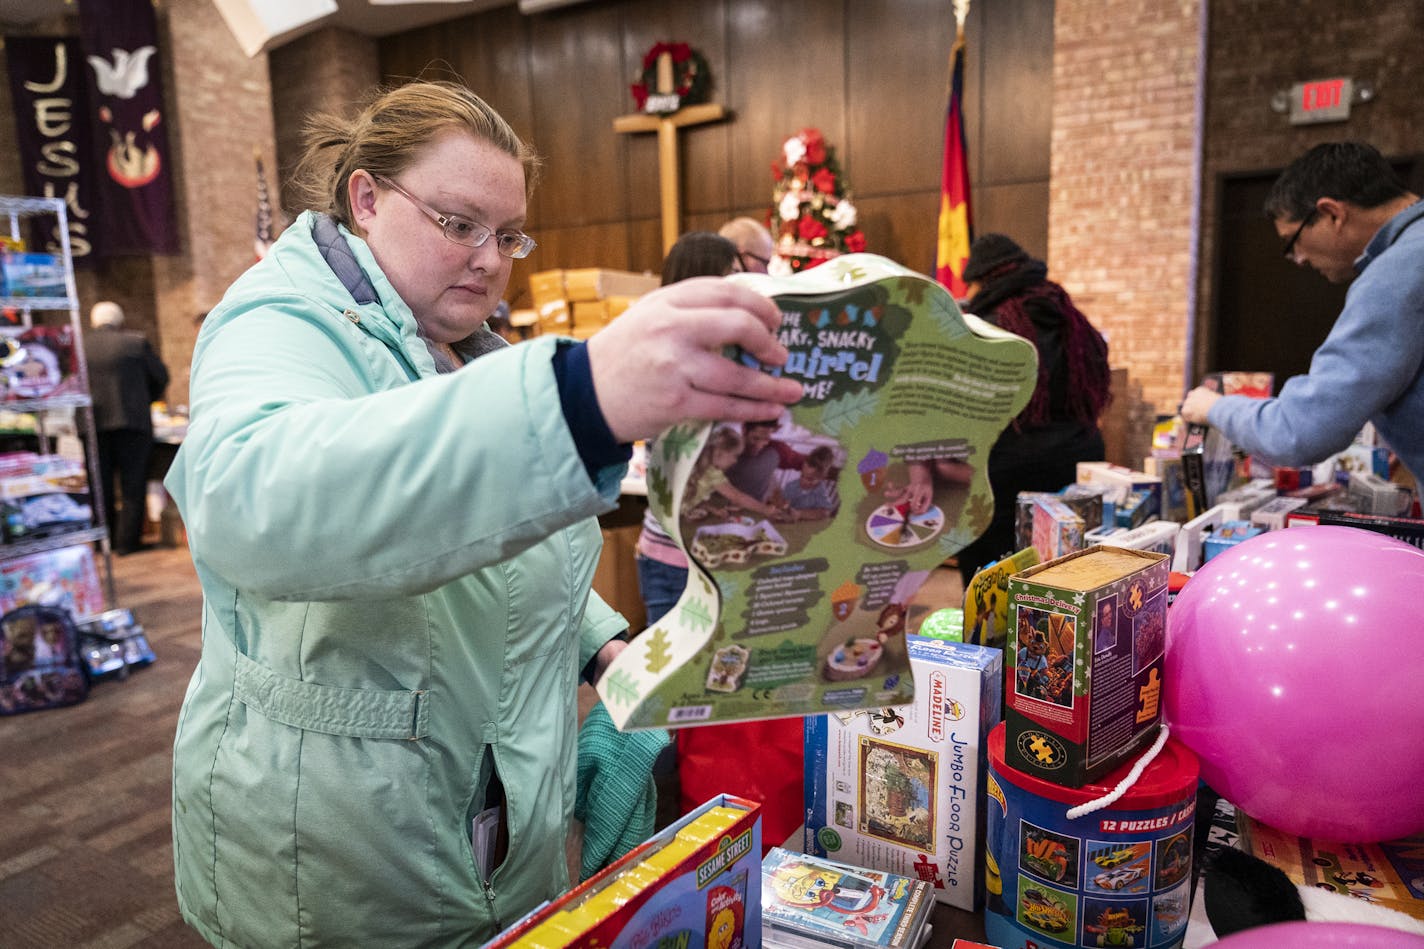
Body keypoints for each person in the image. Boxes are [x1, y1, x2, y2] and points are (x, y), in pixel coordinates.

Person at [163, 81, 800, 947]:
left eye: (506, 236)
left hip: (490, 822)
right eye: (458, 223)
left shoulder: (465, 350)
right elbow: (252, 500)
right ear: (366, 198)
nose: (490, 258)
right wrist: (577, 400)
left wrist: (597, 641)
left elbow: (500, 547)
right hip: (342, 852)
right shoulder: (278, 320)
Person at [1181, 142, 1424, 485]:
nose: (1299, 259)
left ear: (1332, 214)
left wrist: (1213, 407)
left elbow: (1299, 431)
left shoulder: (1396, 274)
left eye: (1291, 242)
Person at [951, 234, 1112, 588]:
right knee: (1063, 576)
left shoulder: (987, 328)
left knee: (992, 582)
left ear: (984, 279)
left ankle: (991, 645)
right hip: (1078, 459)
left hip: (1008, 473)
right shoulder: (1069, 315)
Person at [634, 230, 745, 625]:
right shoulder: (666, 360)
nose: (741, 285)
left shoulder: (735, 359)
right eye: (730, 274)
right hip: (675, 560)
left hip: (728, 558)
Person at [84, 300, 169, 555]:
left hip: (92, 424)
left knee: (100, 485)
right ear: (119, 320)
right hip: (132, 422)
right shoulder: (135, 343)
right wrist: (144, 400)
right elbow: (161, 377)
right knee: (134, 484)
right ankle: (128, 542)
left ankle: (103, 540)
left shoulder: (80, 346)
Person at [724, 417, 806, 503]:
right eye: (755, 438)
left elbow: (808, 462)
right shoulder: (726, 445)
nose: (758, 446)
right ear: (744, 429)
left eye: (766, 439)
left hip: (754, 509)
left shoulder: (776, 449)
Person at [769, 443, 840, 520]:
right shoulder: (793, 485)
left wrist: (800, 514)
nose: (804, 481)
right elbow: (782, 502)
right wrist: (780, 501)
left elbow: (825, 513)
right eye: (802, 475)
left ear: (822, 478)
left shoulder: (819, 491)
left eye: (810, 479)